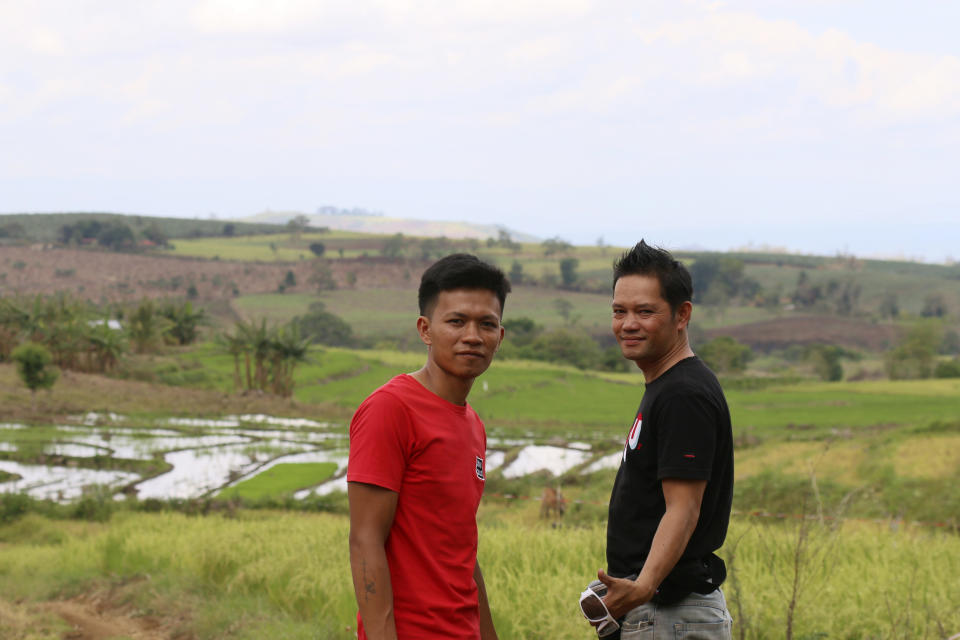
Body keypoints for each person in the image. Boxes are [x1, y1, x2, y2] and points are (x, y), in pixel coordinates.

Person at [348, 253, 508, 640]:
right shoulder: (391, 409)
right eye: (456, 321)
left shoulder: (473, 425)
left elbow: (462, 550)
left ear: (499, 336)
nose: (472, 336)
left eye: (487, 324)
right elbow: (365, 538)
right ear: (426, 329)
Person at [592, 240, 734, 638]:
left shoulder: (682, 394)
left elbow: (683, 508)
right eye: (619, 312)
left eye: (645, 312)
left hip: (670, 613)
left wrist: (643, 585)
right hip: (660, 613)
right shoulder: (666, 387)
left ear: (681, 314)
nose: (628, 324)